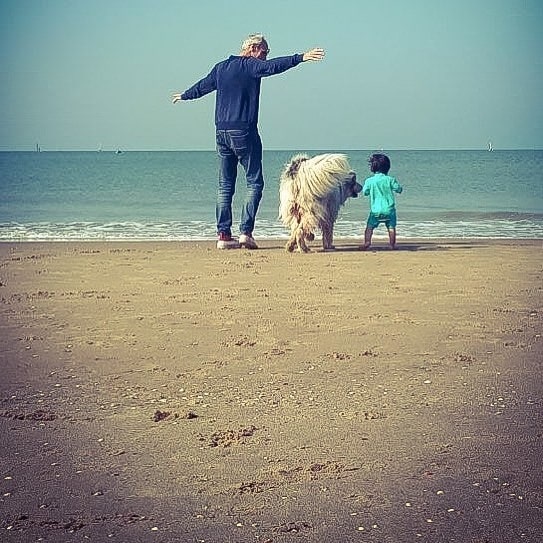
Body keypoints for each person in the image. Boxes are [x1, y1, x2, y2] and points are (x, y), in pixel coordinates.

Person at [172, 34, 325, 249]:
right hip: (243, 131)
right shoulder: (250, 66)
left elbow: (203, 86)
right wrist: (300, 57)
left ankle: (223, 236)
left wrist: (185, 95)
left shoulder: (221, 68)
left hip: (221, 132)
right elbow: (274, 67)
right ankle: (245, 232)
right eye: (264, 51)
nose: (265, 55)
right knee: (254, 182)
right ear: (253, 48)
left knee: (225, 185)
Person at [361, 153, 403, 250]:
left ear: (372, 167)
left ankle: (367, 242)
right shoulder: (390, 180)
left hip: (375, 210)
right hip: (389, 209)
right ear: (387, 167)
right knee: (391, 227)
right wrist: (400, 189)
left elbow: (365, 192)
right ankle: (392, 245)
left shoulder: (369, 181)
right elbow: (398, 189)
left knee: (369, 227)